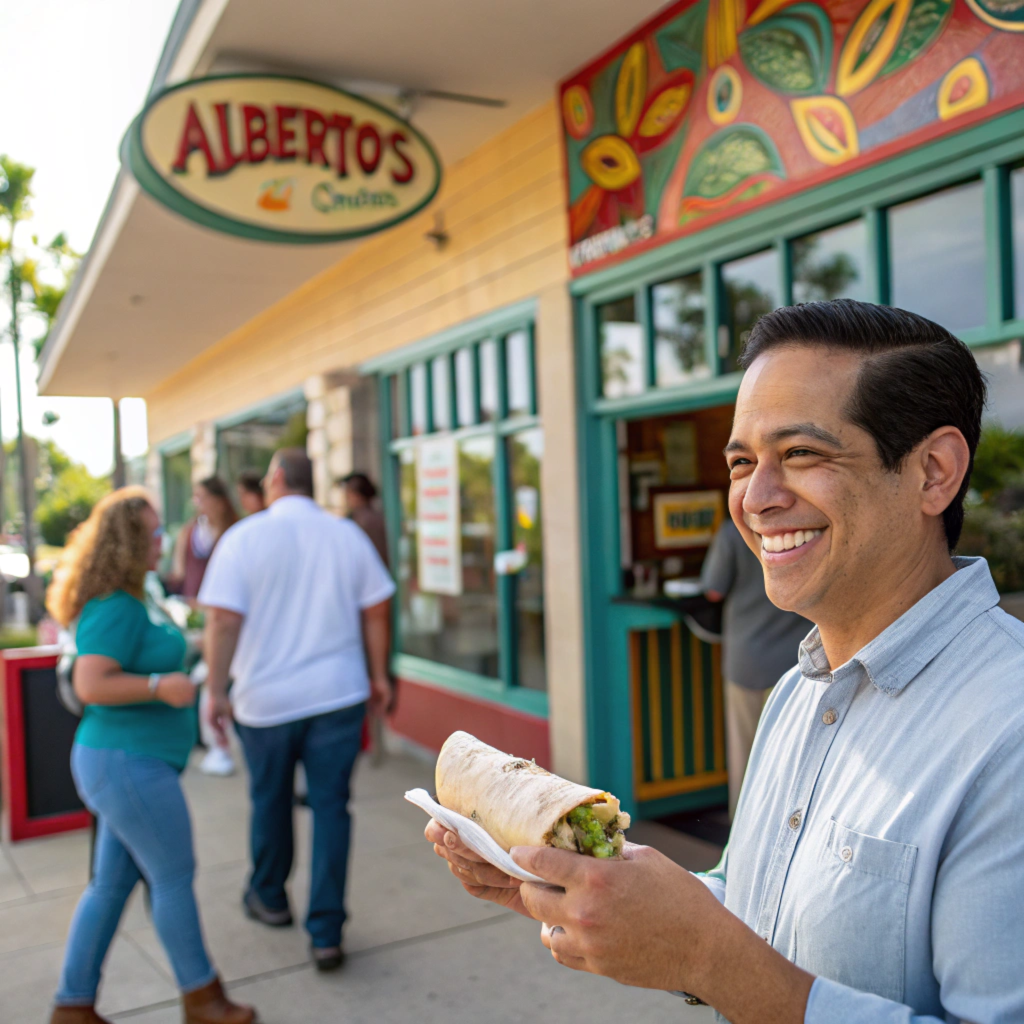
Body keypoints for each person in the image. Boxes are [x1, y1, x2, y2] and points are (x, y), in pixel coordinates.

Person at [426, 299, 1024, 1023]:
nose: (755, 499)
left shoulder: (1008, 729)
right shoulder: (796, 693)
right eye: (743, 463)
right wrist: (572, 886)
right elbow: (755, 903)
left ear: (934, 472)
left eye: (801, 455)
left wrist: (705, 959)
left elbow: (727, 957)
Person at [46, 488, 255, 1024]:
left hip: (131, 762)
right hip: (125, 762)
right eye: (152, 531)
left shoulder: (138, 597)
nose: (163, 539)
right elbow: (91, 682)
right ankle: (202, 998)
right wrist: (163, 685)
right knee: (173, 875)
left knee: (111, 885)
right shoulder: (114, 603)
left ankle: (73, 1005)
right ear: (126, 541)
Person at [199, 449, 395, 973]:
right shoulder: (345, 534)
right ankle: (326, 932)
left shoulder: (243, 537)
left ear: (278, 479)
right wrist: (378, 676)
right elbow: (377, 609)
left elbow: (221, 622)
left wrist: (215, 690)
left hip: (264, 702)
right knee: (332, 807)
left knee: (270, 799)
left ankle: (270, 896)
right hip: (338, 695)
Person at [701, 518, 811, 816]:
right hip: (799, 659)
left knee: (746, 754)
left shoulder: (733, 531)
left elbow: (713, 590)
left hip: (748, 659)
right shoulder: (808, 527)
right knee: (793, 755)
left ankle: (743, 830)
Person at [169, 477, 238, 602]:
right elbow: (179, 573)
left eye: (202, 497)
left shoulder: (234, 531)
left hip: (223, 604)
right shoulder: (188, 532)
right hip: (193, 607)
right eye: (195, 497)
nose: (196, 503)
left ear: (219, 501)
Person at [339, 472, 389, 567]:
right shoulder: (358, 517)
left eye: (349, 493)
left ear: (358, 496)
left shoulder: (366, 520)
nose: (347, 498)